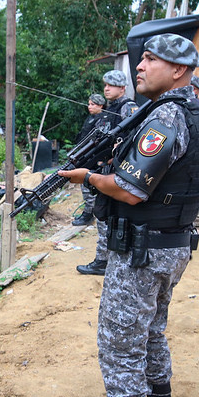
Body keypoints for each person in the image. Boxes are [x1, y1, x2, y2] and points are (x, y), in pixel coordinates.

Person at [58, 33, 199, 397]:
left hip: (142, 250)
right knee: (151, 330)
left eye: (152, 60)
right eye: (142, 58)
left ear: (179, 71)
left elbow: (130, 190)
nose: (140, 66)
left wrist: (88, 179)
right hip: (173, 244)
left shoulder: (167, 116)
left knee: (120, 338)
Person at [75, 70, 138, 274]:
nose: (106, 88)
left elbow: (132, 139)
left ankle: (103, 261)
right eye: (105, 85)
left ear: (122, 88)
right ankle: (106, 259)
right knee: (105, 215)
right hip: (106, 168)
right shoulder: (112, 109)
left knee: (105, 215)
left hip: (117, 171)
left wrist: (114, 159)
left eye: (112, 85)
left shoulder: (128, 108)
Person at [71, 93, 108, 226]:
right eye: (89, 104)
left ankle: (89, 214)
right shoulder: (91, 118)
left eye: (93, 104)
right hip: (85, 156)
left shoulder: (103, 119)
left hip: (94, 158)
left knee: (89, 186)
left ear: (101, 105)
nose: (89, 107)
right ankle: (88, 212)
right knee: (85, 186)